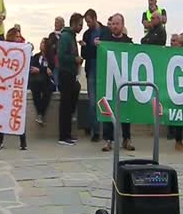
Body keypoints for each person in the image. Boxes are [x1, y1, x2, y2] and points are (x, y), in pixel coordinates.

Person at [99, 14, 135, 151]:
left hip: (124, 82)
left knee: (126, 111)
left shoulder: (128, 42)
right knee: (108, 111)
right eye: (112, 24)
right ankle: (108, 140)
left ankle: (127, 139)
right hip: (109, 82)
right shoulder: (105, 41)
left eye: (117, 24)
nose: (114, 26)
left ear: (122, 25)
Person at [0, 28, 28, 150]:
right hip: (6, 87)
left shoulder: (22, 50)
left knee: (18, 113)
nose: (19, 38)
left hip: (17, 86)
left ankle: (23, 141)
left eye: (20, 36)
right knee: (4, 114)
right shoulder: (5, 50)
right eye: (17, 36)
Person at [81, 9, 110, 142]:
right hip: (91, 70)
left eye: (88, 21)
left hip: (104, 70)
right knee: (92, 102)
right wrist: (90, 47)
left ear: (94, 18)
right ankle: (96, 131)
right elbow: (84, 54)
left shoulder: (105, 31)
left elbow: (107, 48)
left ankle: (107, 132)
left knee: (105, 101)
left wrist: (91, 47)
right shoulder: (87, 34)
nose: (87, 24)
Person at [57, 13, 84, 146]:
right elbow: (61, 56)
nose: (81, 27)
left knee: (69, 104)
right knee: (65, 105)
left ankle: (67, 134)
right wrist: (74, 59)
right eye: (80, 24)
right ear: (74, 23)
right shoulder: (65, 37)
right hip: (65, 74)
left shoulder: (72, 37)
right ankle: (63, 136)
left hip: (71, 74)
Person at [30, 38, 55, 126]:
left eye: (43, 43)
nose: (41, 44)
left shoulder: (51, 59)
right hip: (36, 81)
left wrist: (40, 70)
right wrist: (44, 70)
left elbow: (50, 71)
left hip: (47, 82)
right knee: (35, 89)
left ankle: (41, 113)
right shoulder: (37, 57)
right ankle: (40, 113)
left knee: (47, 91)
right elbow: (33, 69)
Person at [47, 16, 65, 89]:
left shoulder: (64, 35)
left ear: (62, 24)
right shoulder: (51, 36)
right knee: (55, 80)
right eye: (55, 22)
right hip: (54, 62)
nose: (56, 24)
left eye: (57, 23)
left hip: (63, 62)